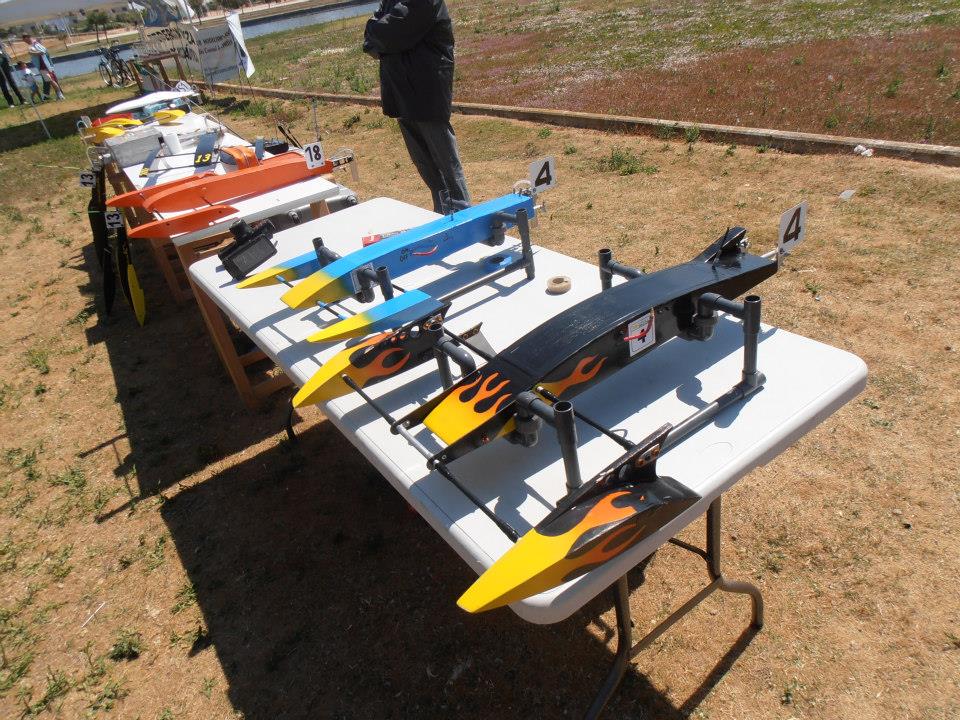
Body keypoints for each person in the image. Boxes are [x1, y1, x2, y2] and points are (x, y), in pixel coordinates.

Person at [363, 0, 470, 214]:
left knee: (444, 159)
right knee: (422, 161)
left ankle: (463, 213)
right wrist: (379, 35)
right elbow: (373, 33)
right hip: (400, 89)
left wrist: (379, 37)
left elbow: (394, 30)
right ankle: (442, 211)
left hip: (425, 88)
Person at [22, 34, 64, 101]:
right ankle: (52, 95)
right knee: (50, 80)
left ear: (28, 38)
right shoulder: (34, 44)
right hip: (43, 66)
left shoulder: (35, 44)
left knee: (51, 80)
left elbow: (43, 52)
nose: (25, 42)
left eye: (25, 40)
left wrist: (32, 53)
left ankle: (59, 95)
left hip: (43, 66)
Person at [0, 42, 24, 107]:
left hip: (6, 70)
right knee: (4, 87)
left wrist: (4, 55)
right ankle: (10, 103)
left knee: (13, 84)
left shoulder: (3, 53)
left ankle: (22, 99)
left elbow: (8, 58)